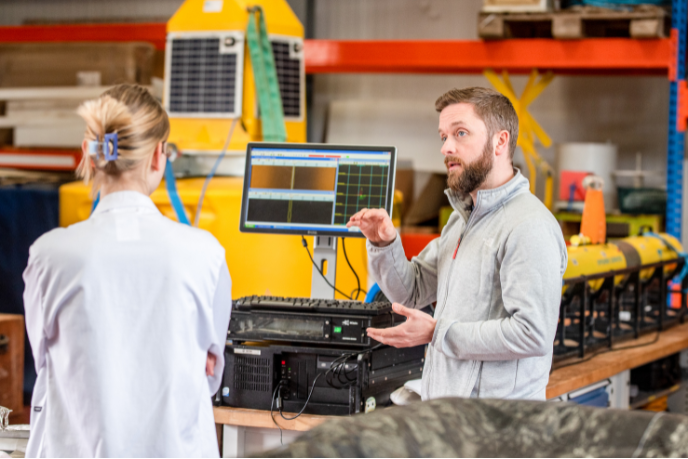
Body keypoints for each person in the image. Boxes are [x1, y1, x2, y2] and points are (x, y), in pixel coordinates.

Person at [22, 84, 232, 457]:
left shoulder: (48, 255)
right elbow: (211, 372)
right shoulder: (205, 254)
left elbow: (45, 361)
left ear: (92, 156)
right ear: (157, 156)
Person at [347, 87, 567, 401]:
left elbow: (532, 334)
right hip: (451, 416)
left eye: (460, 133)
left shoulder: (528, 225)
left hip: (498, 427)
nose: (446, 147)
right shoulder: (462, 220)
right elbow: (412, 292)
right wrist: (385, 244)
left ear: (500, 141)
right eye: (443, 137)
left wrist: (439, 333)